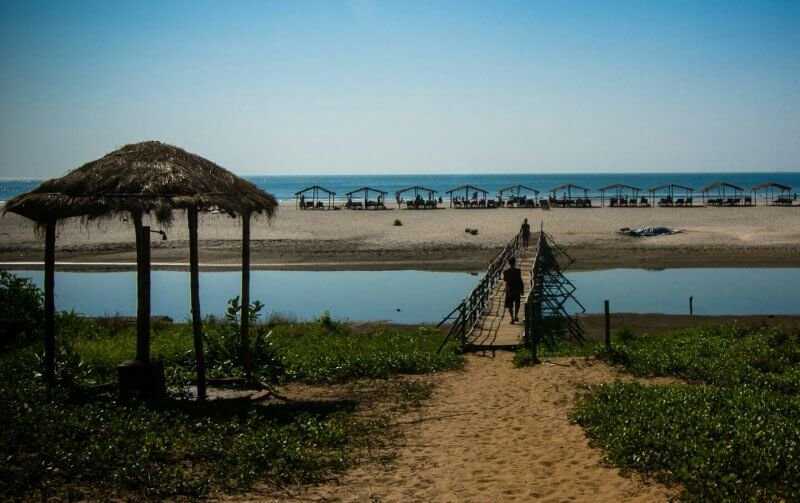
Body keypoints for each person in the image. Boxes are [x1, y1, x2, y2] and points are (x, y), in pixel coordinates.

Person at [503, 257, 524, 324]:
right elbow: (520, 280)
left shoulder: (506, 271)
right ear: (514, 263)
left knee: (510, 305)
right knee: (517, 304)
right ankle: (516, 316)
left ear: (509, 263)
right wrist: (522, 289)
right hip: (517, 289)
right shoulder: (518, 271)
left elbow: (505, 280)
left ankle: (512, 318)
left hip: (509, 290)